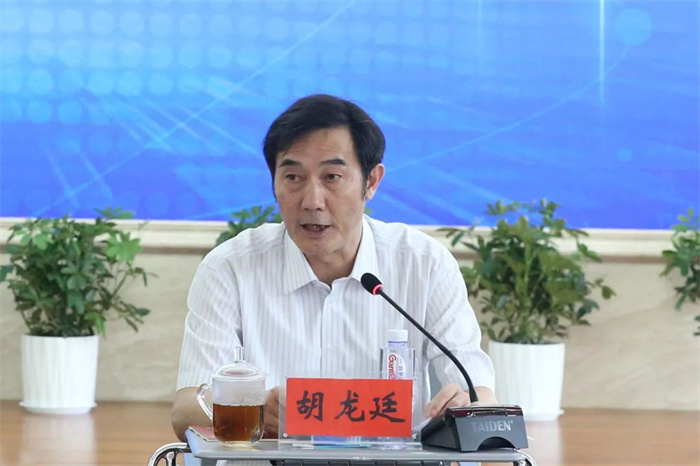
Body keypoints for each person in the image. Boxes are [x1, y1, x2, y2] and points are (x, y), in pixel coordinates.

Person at [171, 94, 497, 443]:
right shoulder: (230, 268)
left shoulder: (424, 264)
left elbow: (479, 396)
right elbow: (186, 411)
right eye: (293, 177)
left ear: (371, 182)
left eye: (332, 177)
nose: (312, 201)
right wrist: (251, 407)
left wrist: (466, 404)